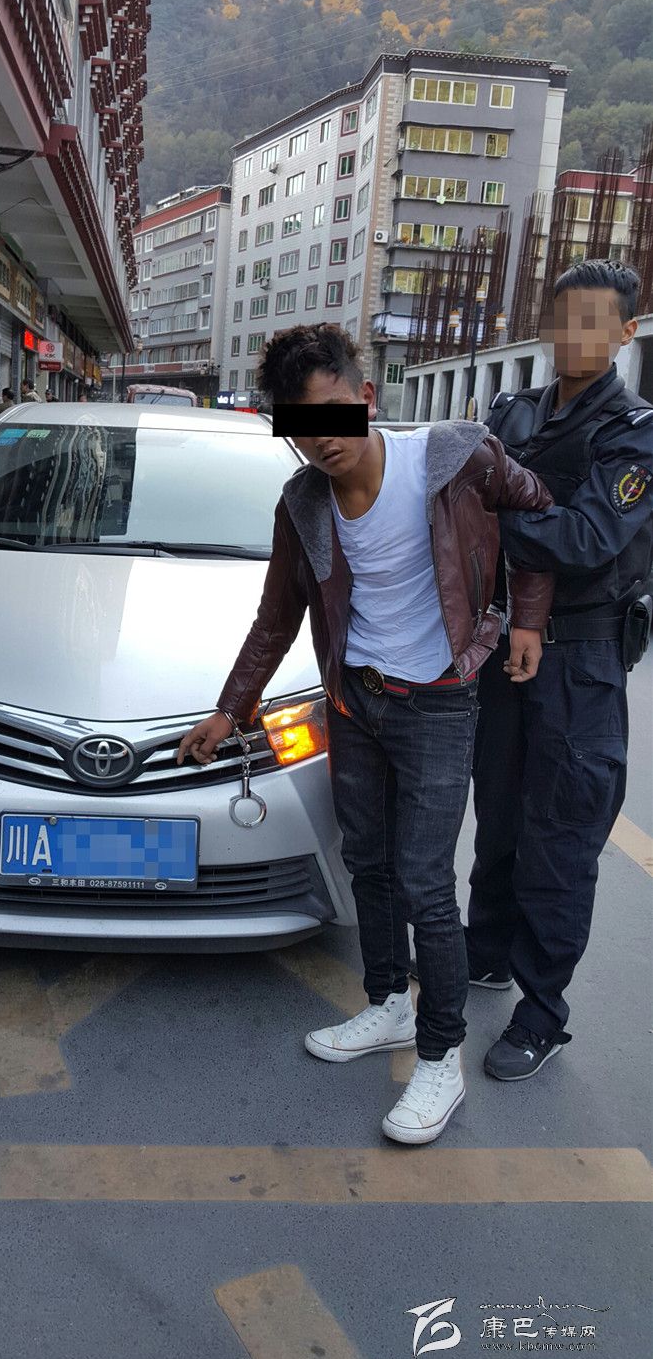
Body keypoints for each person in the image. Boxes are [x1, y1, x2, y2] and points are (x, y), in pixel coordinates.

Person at [177, 324, 554, 1145]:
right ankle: (387, 1003)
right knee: (369, 864)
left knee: (424, 882)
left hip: (440, 702)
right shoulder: (303, 502)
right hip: (356, 704)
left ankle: (441, 1055)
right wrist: (230, 708)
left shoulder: (455, 458)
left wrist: (527, 617)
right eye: (300, 426)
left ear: (365, 396)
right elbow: (276, 615)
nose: (320, 440)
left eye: (331, 415)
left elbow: (536, 511)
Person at [465, 259, 653, 1082]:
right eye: (563, 317)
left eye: (594, 320)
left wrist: (487, 519)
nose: (574, 334)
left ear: (625, 331)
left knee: (562, 834)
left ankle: (542, 1010)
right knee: (498, 811)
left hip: (582, 657)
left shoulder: (634, 430)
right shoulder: (514, 410)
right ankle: (485, 949)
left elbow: (586, 537)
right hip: (508, 642)